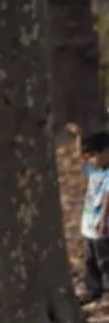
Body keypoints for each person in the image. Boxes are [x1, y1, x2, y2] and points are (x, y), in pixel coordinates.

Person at [66, 123, 109, 304]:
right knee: (89, 260)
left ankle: (107, 291)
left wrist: (103, 220)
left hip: (102, 224)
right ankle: (93, 290)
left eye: (94, 156)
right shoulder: (94, 169)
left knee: (105, 260)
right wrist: (78, 137)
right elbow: (81, 157)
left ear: (106, 152)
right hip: (89, 225)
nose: (89, 160)